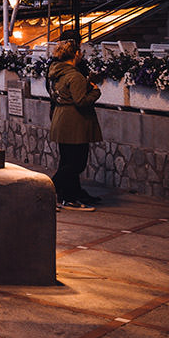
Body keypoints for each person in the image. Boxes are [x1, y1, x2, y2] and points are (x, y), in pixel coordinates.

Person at [47, 39, 103, 211]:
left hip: (61, 119)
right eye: (79, 51)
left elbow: (67, 94)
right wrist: (95, 90)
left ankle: (68, 197)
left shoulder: (57, 72)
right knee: (77, 163)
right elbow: (81, 101)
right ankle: (46, 191)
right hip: (75, 123)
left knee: (66, 161)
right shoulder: (74, 75)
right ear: (75, 54)